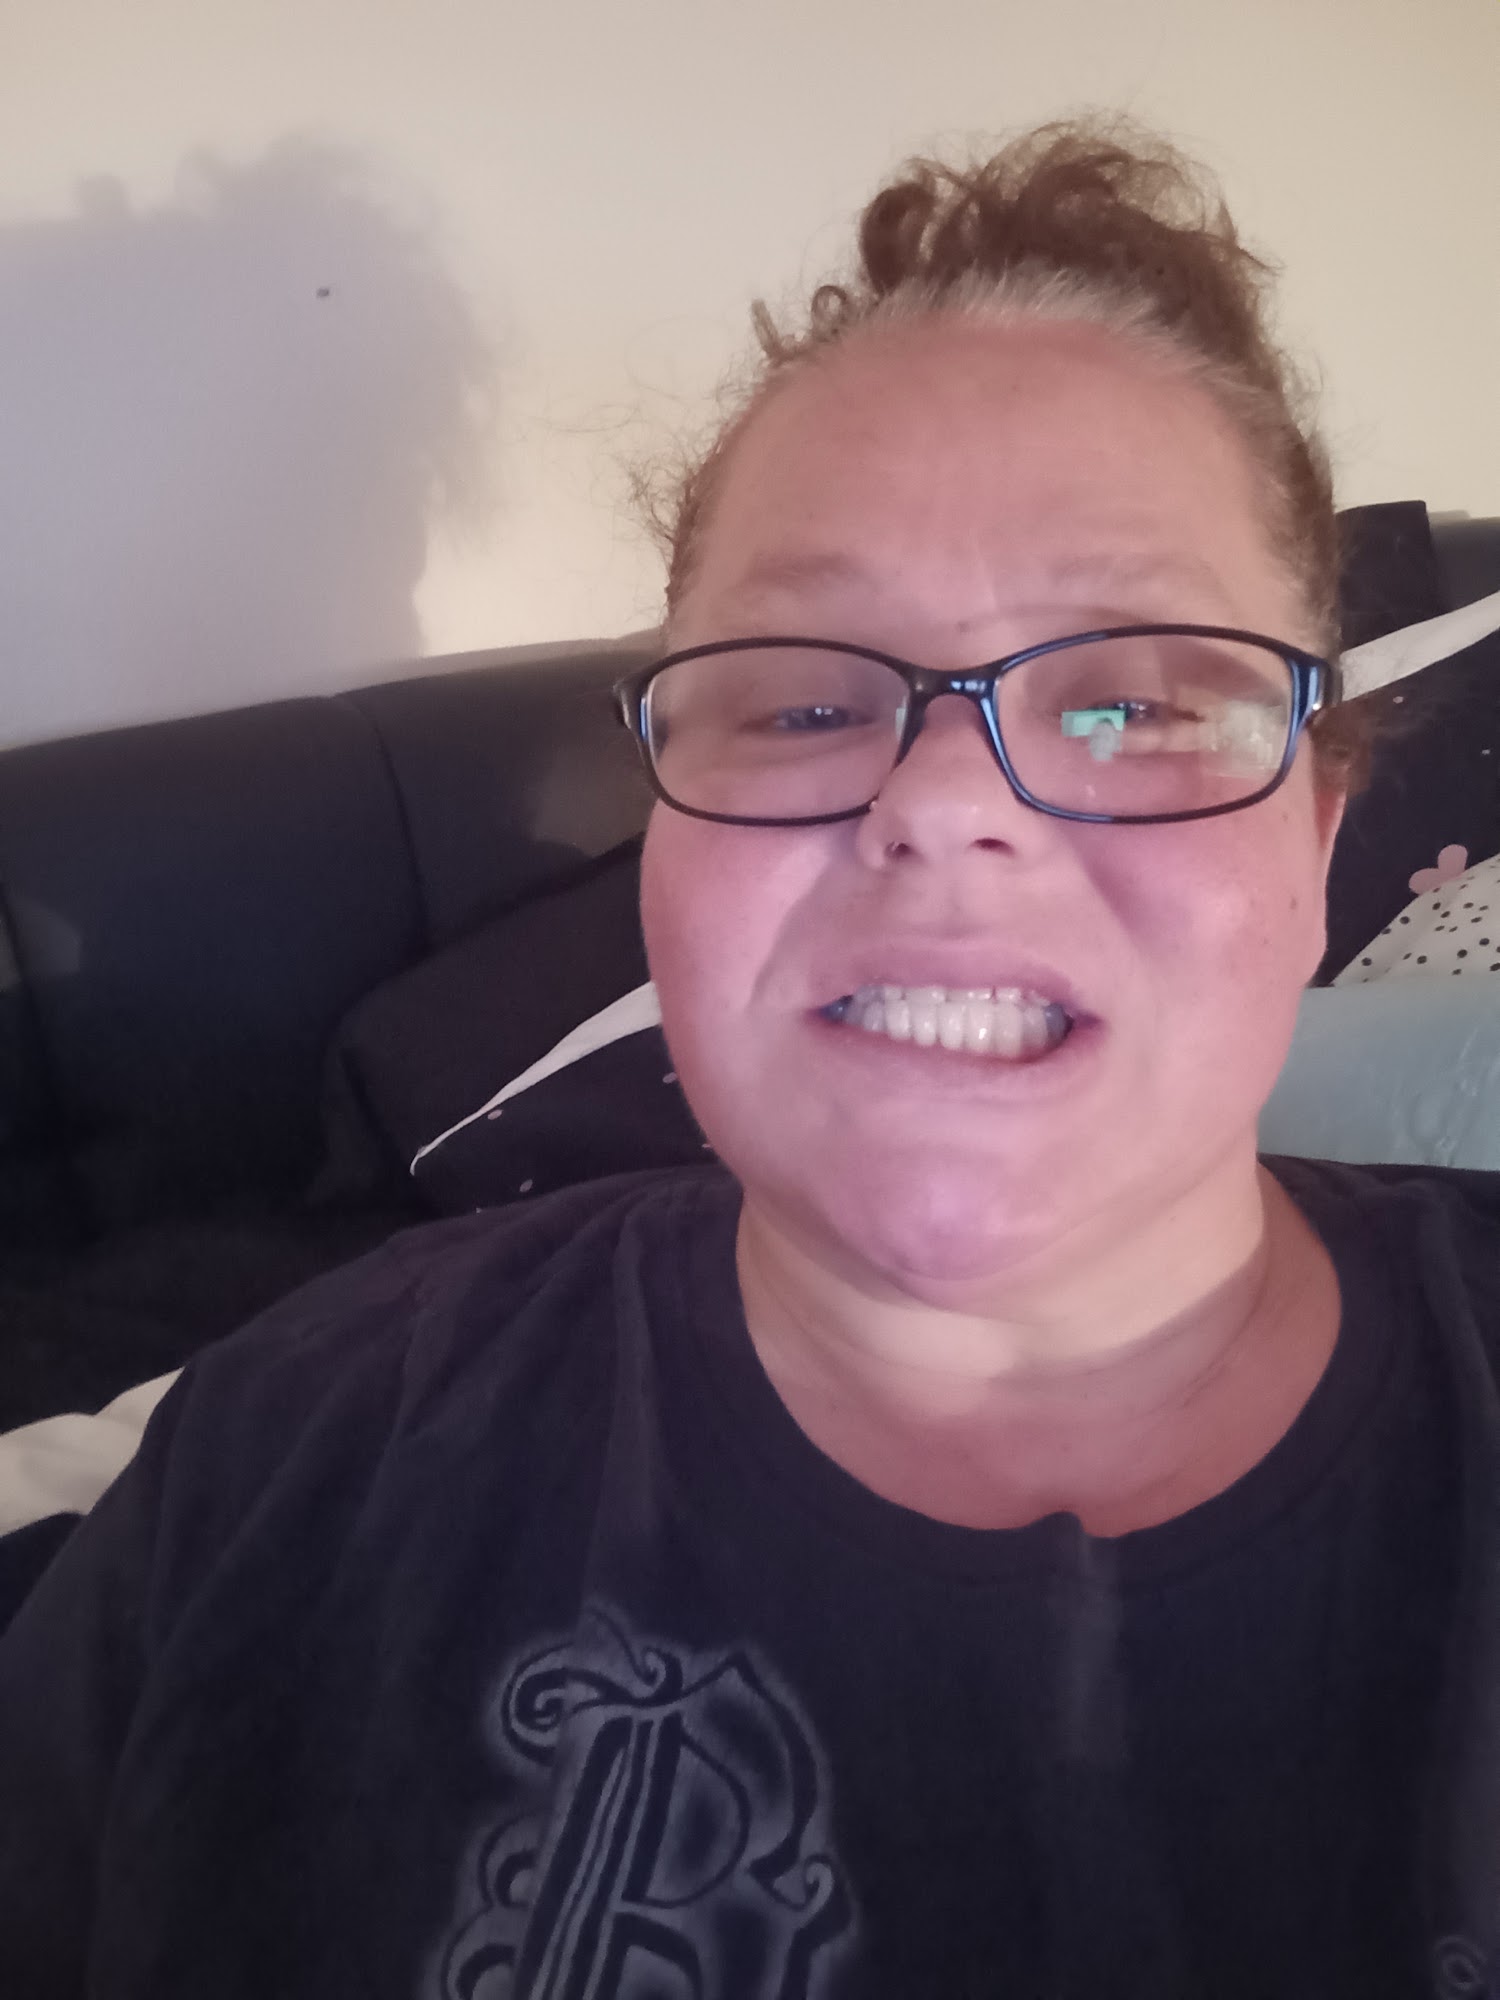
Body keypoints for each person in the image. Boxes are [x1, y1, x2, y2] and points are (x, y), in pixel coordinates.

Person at [2, 116, 1498, 2000]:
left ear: (1321, 834)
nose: (943, 806)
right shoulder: (285, 1451)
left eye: (1133, 703)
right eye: (801, 704)